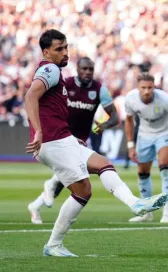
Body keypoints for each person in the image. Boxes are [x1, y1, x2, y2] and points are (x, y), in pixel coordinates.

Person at [24, 29, 167, 257]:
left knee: (102, 163)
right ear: (46, 52)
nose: (65, 52)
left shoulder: (59, 73)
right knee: (83, 191)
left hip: (64, 138)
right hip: (53, 141)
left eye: (66, 47)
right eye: (59, 49)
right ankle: (53, 245)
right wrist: (38, 131)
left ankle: (135, 204)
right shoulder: (50, 69)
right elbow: (30, 96)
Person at [27, 57, 119, 224]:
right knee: (74, 175)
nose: (87, 72)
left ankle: (36, 204)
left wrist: (102, 126)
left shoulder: (99, 90)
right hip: (60, 136)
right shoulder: (65, 84)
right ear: (77, 69)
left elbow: (114, 117)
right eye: (84, 69)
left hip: (80, 140)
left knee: (67, 181)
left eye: (91, 69)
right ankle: (48, 188)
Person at [124, 72, 168, 223]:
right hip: (144, 135)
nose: (146, 91)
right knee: (142, 172)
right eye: (143, 87)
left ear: (154, 87)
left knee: (164, 167)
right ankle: (147, 212)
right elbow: (129, 120)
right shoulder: (130, 99)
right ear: (138, 87)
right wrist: (131, 146)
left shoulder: (166, 100)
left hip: (165, 133)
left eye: (150, 87)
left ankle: (167, 212)